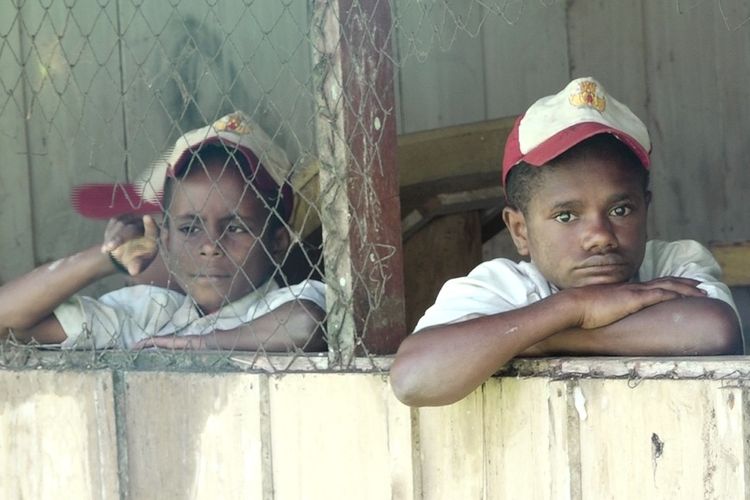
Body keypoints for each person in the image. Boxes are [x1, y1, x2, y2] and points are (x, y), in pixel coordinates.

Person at [390, 77, 743, 407]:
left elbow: (713, 330)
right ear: (519, 230)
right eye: (566, 216)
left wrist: (535, 338)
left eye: (621, 209)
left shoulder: (672, 263)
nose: (600, 237)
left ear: (645, 209)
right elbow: (414, 377)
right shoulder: (504, 285)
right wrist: (576, 306)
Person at [0, 111, 326, 351]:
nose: (210, 246)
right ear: (165, 240)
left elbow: (308, 323)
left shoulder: (287, 300)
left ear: (278, 242)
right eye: (189, 228)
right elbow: (7, 318)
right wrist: (107, 260)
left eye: (237, 227)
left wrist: (197, 344)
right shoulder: (150, 313)